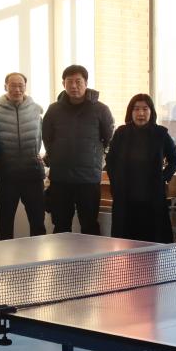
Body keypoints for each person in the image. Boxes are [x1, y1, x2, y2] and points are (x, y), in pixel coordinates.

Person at [42, 64, 114, 235]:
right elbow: (47, 138)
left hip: (88, 178)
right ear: (63, 84)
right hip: (60, 178)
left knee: (89, 225)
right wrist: (55, 157)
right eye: (69, 82)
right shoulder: (53, 110)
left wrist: (96, 158)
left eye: (78, 81)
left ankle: (92, 254)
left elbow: (109, 138)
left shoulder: (101, 109)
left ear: (86, 83)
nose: (74, 86)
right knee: (61, 226)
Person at [105, 93, 176, 243]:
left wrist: (163, 177)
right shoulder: (121, 133)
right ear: (130, 112)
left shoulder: (161, 133)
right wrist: (116, 181)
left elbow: (175, 159)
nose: (140, 113)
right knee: (125, 243)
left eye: (145, 109)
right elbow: (110, 160)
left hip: (152, 198)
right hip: (125, 198)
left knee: (153, 242)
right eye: (136, 109)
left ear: (151, 111)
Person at [0, 72, 45, 239]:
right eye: (13, 85)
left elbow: (43, 136)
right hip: (6, 176)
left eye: (21, 86)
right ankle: (5, 257)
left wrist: (43, 156)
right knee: (5, 224)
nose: (17, 89)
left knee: (38, 223)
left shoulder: (36, 110)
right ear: (5, 86)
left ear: (25, 87)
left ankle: (38, 255)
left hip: (33, 175)